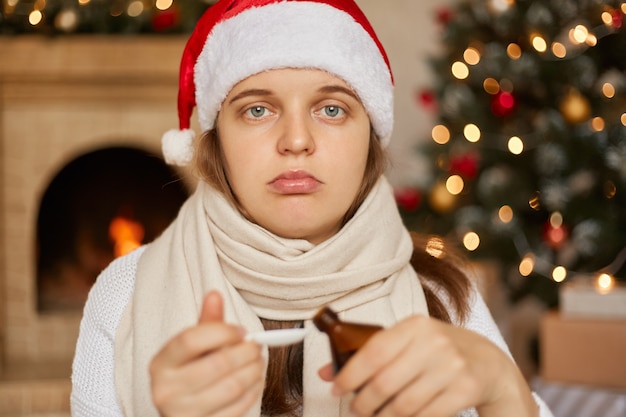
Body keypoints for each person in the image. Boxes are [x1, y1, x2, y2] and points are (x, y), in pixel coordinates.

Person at [71, 0, 555, 416]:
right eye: (257, 109)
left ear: (370, 137)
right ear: (217, 143)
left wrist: (501, 387)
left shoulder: (444, 293)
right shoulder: (126, 294)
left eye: (332, 109)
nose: (297, 141)